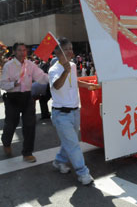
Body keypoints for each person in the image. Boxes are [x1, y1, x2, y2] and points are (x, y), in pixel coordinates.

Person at [49, 37, 100, 185]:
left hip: (74, 111)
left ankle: (59, 161)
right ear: (58, 52)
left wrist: (87, 85)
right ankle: (83, 173)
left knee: (70, 141)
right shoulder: (54, 69)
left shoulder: (71, 65)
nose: (70, 52)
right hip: (61, 114)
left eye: (71, 48)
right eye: (66, 49)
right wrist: (64, 72)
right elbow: (57, 85)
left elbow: (74, 81)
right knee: (73, 144)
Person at [0, 43, 49, 162]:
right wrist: (13, 84)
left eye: (24, 50)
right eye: (19, 50)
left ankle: (27, 153)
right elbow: (2, 84)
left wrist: (54, 76)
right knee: (11, 124)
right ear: (14, 52)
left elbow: (41, 77)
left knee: (30, 125)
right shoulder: (8, 66)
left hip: (27, 97)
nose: (22, 53)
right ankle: (6, 142)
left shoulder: (30, 65)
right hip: (12, 97)